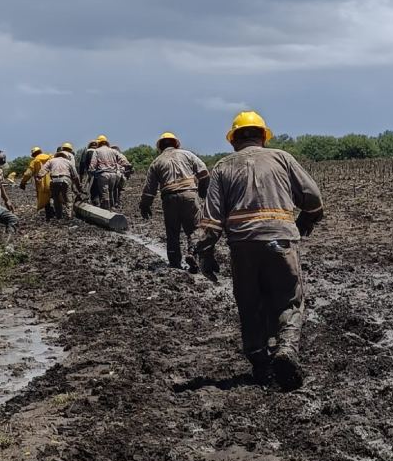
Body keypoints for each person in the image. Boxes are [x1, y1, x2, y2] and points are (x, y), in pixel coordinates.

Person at [191, 111, 324, 390]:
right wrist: (302, 222)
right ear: (263, 136)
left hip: (243, 246)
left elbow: (211, 221)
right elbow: (313, 200)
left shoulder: (223, 167)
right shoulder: (282, 158)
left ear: (233, 140)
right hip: (281, 240)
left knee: (250, 304)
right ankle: (287, 347)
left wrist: (205, 253)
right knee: (289, 299)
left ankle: (261, 364)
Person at [139, 132, 210, 270]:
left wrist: (145, 205)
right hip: (189, 195)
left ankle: (175, 264)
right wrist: (202, 190)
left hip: (169, 198)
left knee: (172, 232)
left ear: (160, 146)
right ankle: (192, 253)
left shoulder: (157, 162)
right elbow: (204, 173)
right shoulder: (187, 155)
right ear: (176, 144)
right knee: (195, 228)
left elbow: (149, 188)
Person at [38, 149, 84, 219]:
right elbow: (75, 176)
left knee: (56, 199)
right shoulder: (68, 162)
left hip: (54, 180)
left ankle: (58, 215)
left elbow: (43, 170)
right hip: (65, 180)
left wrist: (39, 176)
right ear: (64, 156)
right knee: (68, 198)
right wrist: (79, 187)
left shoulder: (51, 161)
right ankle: (69, 215)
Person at [88, 136, 130, 209]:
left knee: (105, 193)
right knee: (111, 192)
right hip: (113, 175)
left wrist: (91, 171)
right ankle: (112, 208)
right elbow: (123, 161)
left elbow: (93, 164)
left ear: (99, 143)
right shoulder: (113, 151)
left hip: (103, 175)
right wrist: (126, 166)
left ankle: (106, 210)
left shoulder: (97, 151)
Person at [18, 147, 55, 220]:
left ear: (33, 154)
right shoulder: (50, 157)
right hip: (54, 180)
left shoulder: (35, 161)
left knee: (45, 200)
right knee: (56, 197)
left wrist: (23, 183)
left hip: (42, 183)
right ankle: (58, 214)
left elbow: (28, 174)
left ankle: (49, 216)